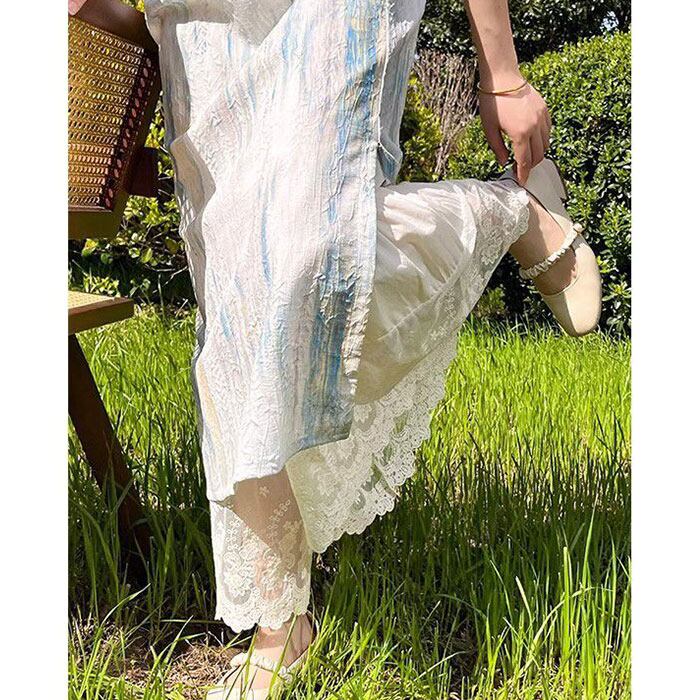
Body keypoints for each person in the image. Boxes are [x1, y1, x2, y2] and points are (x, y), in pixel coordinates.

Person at [70, 1, 602, 697]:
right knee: (237, 329)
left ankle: (511, 210)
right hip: (200, 26)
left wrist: (501, 74)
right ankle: (281, 624)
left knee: (315, 252)